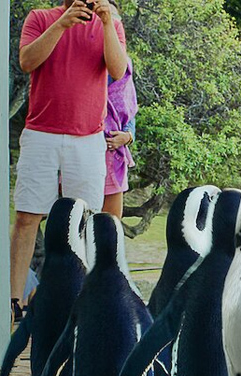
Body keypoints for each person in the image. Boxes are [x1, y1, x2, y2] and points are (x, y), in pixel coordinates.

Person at [11, 0, 128, 322]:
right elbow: (27, 61)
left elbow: (117, 71)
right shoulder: (41, 18)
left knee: (85, 220)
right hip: (41, 134)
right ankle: (14, 301)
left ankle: (82, 297)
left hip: (88, 138)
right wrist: (62, 23)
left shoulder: (111, 25)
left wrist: (105, 23)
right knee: (26, 218)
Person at [101, 0, 136, 218]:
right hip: (87, 146)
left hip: (115, 152)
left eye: (115, 20)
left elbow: (130, 109)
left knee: (111, 224)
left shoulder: (125, 67)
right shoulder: (85, 60)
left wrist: (128, 136)